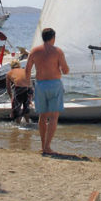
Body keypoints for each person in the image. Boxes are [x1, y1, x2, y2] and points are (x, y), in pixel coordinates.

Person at [25, 27, 69, 155]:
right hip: (54, 84)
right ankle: (47, 146)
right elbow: (65, 70)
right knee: (54, 116)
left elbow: (27, 70)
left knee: (43, 116)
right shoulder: (58, 51)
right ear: (53, 38)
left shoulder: (34, 51)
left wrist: (28, 86)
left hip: (40, 85)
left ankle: (43, 146)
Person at [6, 60, 33, 126]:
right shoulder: (24, 70)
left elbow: (8, 88)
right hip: (29, 89)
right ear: (19, 65)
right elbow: (30, 82)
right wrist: (30, 98)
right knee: (26, 108)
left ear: (11, 66)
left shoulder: (9, 73)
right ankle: (28, 123)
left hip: (19, 89)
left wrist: (11, 98)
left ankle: (17, 127)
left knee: (17, 110)